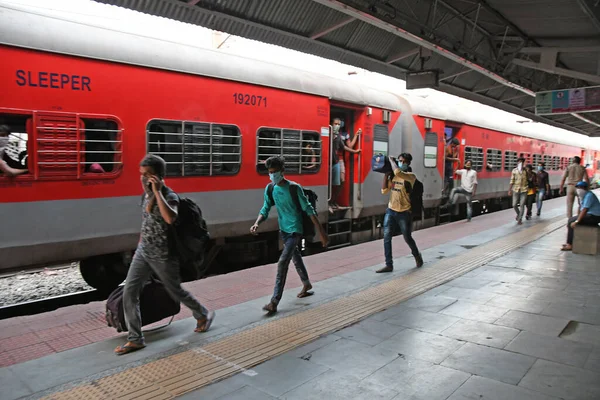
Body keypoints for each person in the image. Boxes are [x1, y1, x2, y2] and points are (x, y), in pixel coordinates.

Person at [115, 155, 214, 355]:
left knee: (175, 290)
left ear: (158, 176)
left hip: (164, 255)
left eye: (147, 175)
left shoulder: (169, 196)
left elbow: (170, 218)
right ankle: (135, 339)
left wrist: (158, 192)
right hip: (144, 252)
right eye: (141, 175)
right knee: (129, 292)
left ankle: (202, 313)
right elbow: (146, 222)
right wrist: (140, 244)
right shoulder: (145, 196)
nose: (143, 179)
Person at [251, 156, 329, 315]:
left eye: (275, 172)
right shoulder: (271, 189)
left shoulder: (294, 188)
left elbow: (309, 210)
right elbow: (265, 208)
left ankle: (274, 301)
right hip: (284, 230)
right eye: (270, 172)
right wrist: (257, 222)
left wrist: (322, 234)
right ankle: (306, 284)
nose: (272, 175)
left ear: (282, 171)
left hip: (295, 230)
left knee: (282, 263)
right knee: (295, 256)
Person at [376, 153, 423, 273]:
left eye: (403, 161)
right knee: (386, 237)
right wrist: (386, 174)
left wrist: (392, 161)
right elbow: (384, 191)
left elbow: (398, 172)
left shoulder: (410, 176)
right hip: (391, 210)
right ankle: (389, 265)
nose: (401, 163)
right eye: (400, 161)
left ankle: (417, 255)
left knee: (407, 237)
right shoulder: (393, 176)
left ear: (408, 163)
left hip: (404, 212)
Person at [561, 181, 600, 251]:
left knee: (571, 221)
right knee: (571, 219)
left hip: (595, 217)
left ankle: (570, 244)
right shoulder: (584, 196)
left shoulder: (589, 195)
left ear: (585, 188)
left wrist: (577, 221)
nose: (579, 190)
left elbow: (585, 209)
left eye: (580, 188)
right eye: (578, 188)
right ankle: (570, 243)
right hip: (591, 215)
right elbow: (582, 209)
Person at [330, 118, 360, 208]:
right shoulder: (328, 132)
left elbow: (347, 146)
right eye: (335, 124)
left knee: (342, 181)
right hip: (330, 160)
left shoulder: (341, 135)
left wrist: (356, 136)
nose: (337, 126)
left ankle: (333, 200)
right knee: (331, 181)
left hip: (339, 160)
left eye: (339, 124)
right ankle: (329, 202)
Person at [508, 157, 528, 225]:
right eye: (519, 162)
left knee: (522, 204)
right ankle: (519, 214)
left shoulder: (525, 171)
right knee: (514, 204)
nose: (520, 163)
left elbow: (529, 178)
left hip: (524, 189)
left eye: (521, 162)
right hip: (516, 189)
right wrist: (509, 189)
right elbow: (512, 180)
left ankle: (520, 219)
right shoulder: (514, 171)